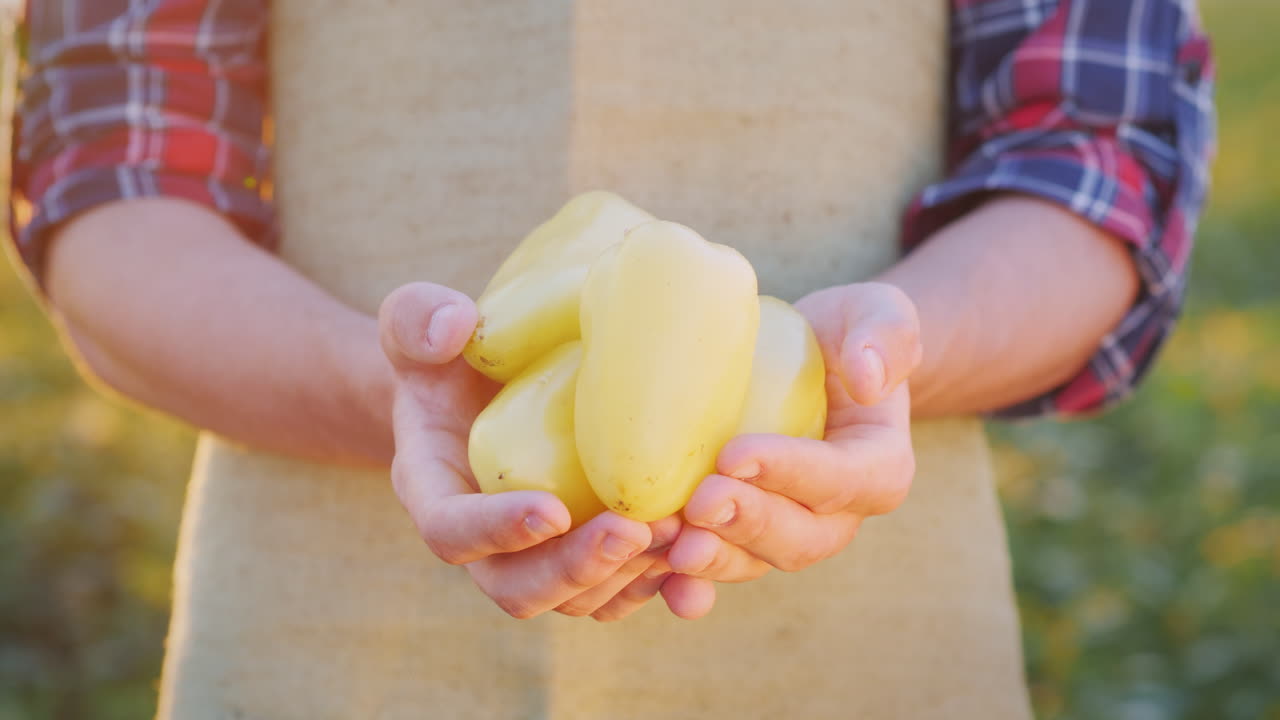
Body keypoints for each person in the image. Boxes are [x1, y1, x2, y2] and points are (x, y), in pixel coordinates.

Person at [9, 1, 1214, 717]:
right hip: (317, 630)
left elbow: (1095, 157)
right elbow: (115, 184)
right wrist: (385, 392)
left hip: (876, 637)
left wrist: (893, 350)